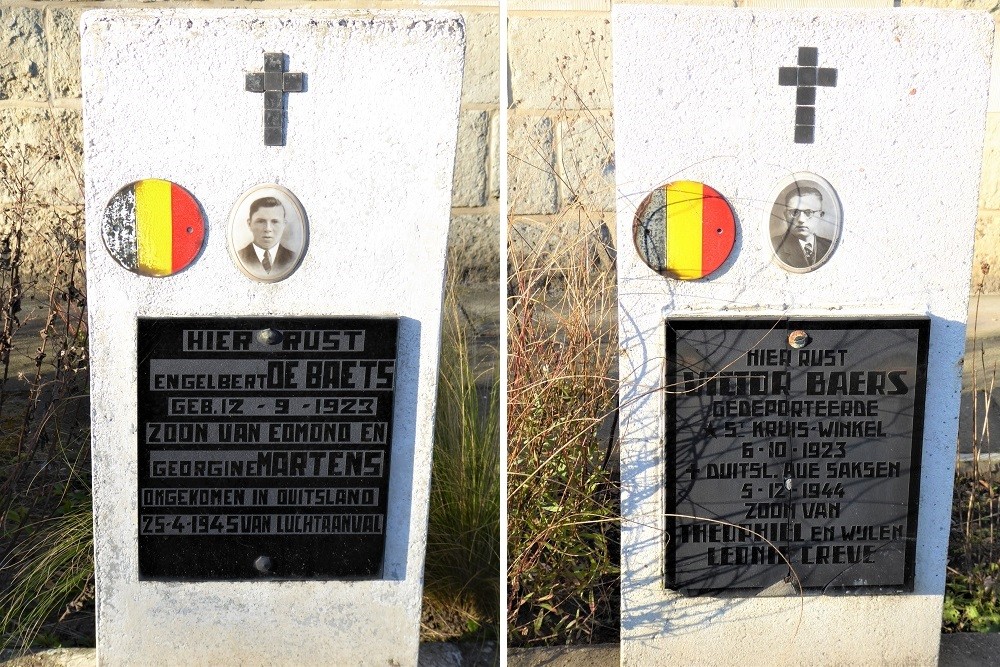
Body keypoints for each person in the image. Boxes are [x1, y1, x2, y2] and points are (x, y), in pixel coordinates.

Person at [770, 185, 833, 269]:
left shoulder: (830, 246)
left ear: (820, 216)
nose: (801, 219)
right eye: (794, 212)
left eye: (808, 212)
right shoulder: (774, 246)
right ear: (785, 215)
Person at [237, 196, 296, 278]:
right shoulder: (240, 257)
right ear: (249, 224)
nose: (268, 229)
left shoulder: (293, 258)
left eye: (275, 222)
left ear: (284, 224)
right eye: (261, 221)